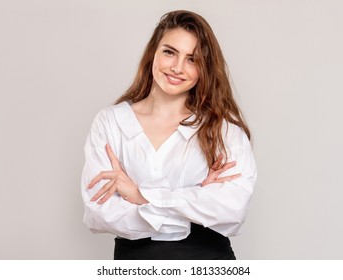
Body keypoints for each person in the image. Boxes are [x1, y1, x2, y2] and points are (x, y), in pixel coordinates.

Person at [81, 10, 257, 260]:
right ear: (153, 51)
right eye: (169, 52)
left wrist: (141, 196)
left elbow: (232, 209)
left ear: (204, 68)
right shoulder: (111, 123)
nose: (177, 67)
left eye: (192, 59)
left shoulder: (223, 130)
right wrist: (195, 200)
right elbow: (99, 214)